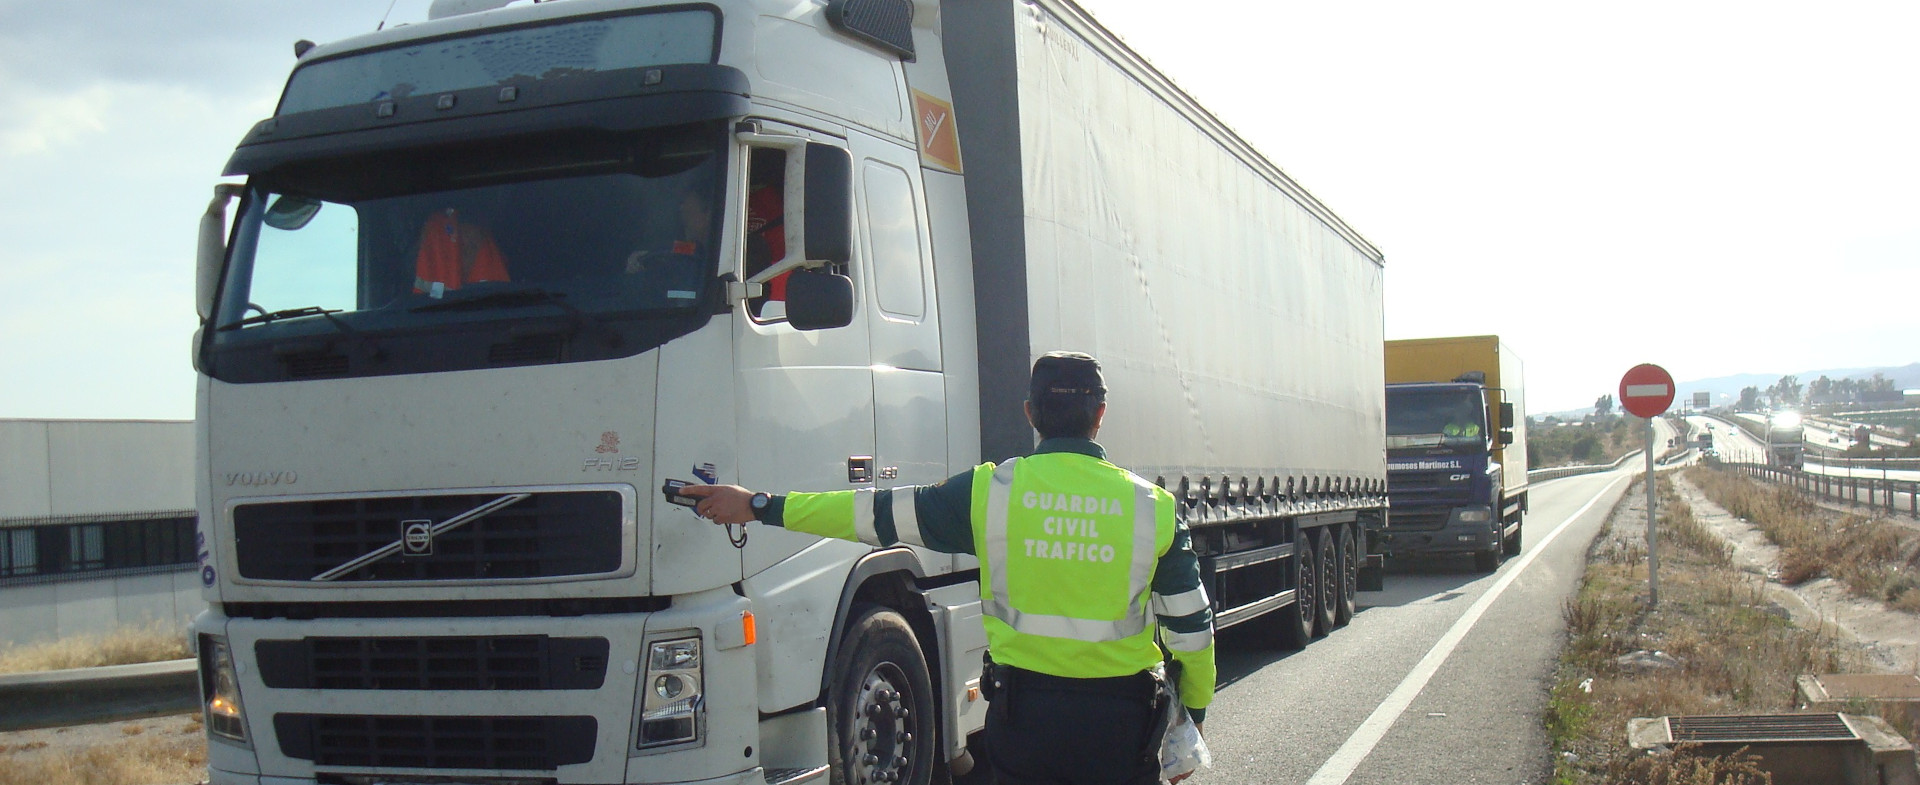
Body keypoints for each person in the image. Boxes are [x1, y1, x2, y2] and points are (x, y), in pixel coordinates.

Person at [683, 352, 1216, 785]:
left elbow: (869, 514)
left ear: (1029, 413)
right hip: (1121, 731)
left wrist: (758, 505)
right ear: (1101, 414)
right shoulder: (1152, 508)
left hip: (1023, 724)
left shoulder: (991, 493)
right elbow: (1193, 632)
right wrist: (1190, 720)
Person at [413, 207, 509, 297]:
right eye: (460, 246)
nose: (467, 253)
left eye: (473, 247)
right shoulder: (413, 299)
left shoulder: (504, 298)